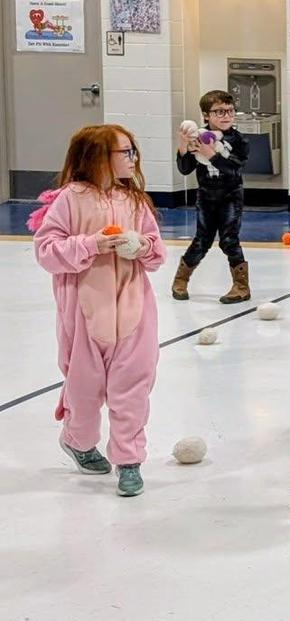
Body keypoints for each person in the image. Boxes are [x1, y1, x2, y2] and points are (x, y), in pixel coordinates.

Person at [32, 124, 166, 497]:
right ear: (98, 158)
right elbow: (46, 251)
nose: (132, 159)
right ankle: (78, 439)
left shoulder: (134, 201)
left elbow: (157, 253)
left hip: (134, 311)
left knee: (133, 386)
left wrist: (140, 246)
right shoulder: (69, 200)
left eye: (132, 152)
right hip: (84, 316)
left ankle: (129, 460)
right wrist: (91, 244)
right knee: (84, 389)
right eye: (126, 152)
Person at [172, 90, 252, 304]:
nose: (226, 116)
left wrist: (211, 155)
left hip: (231, 196)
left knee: (229, 240)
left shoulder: (239, 140)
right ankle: (181, 280)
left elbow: (234, 169)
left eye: (230, 111)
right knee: (202, 240)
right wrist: (183, 145)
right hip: (206, 196)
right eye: (219, 112)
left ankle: (241, 286)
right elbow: (185, 168)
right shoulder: (197, 135)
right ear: (206, 115)